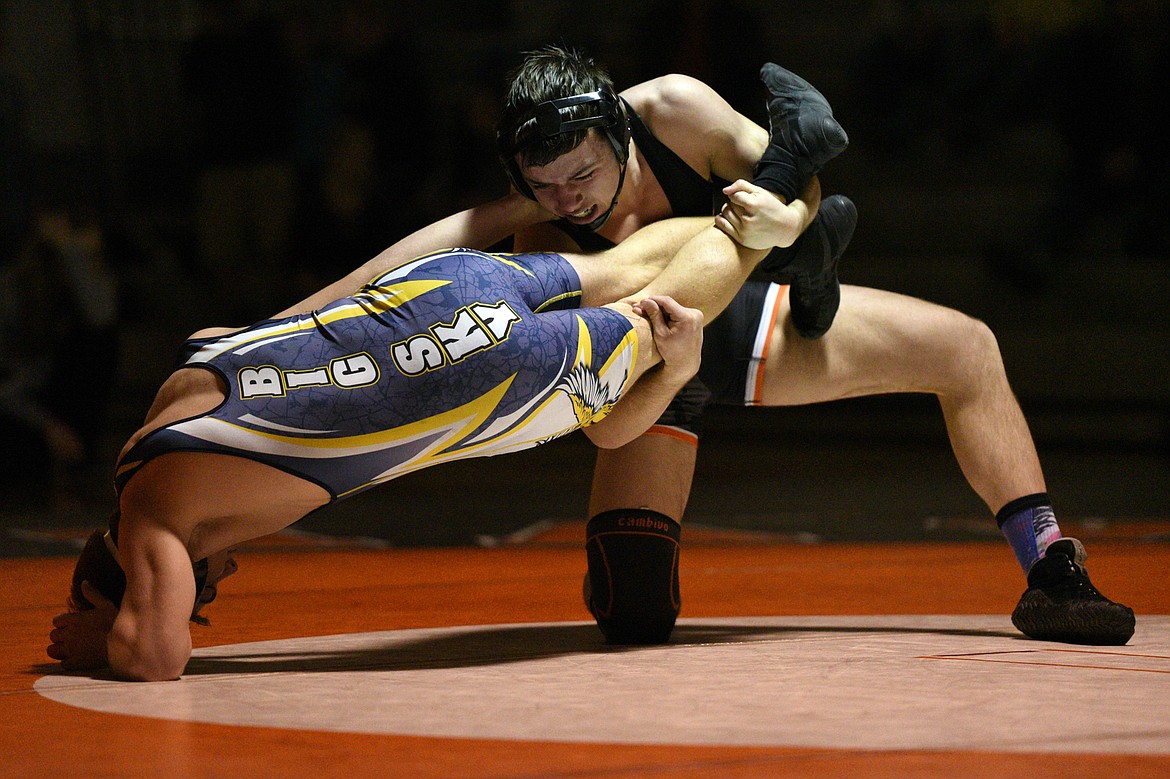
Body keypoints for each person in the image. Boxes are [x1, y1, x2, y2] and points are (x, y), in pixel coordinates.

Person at [45, 66, 830, 681]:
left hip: (480, 381)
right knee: (626, 262)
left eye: (208, 584)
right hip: (443, 291)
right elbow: (276, 323)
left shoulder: (154, 519)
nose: (230, 564)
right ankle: (796, 216)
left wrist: (93, 634)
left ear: (122, 572)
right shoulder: (181, 383)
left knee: (654, 321)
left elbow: (154, 656)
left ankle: (782, 192)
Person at [483, 47, 1133, 647]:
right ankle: (810, 264)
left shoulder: (676, 111)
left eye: (584, 174)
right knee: (632, 614)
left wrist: (791, 218)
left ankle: (1050, 566)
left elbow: (803, 180)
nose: (569, 200)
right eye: (544, 185)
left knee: (967, 348)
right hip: (651, 373)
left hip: (734, 316)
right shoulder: (540, 236)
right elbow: (608, 425)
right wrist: (678, 358)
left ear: (620, 131)